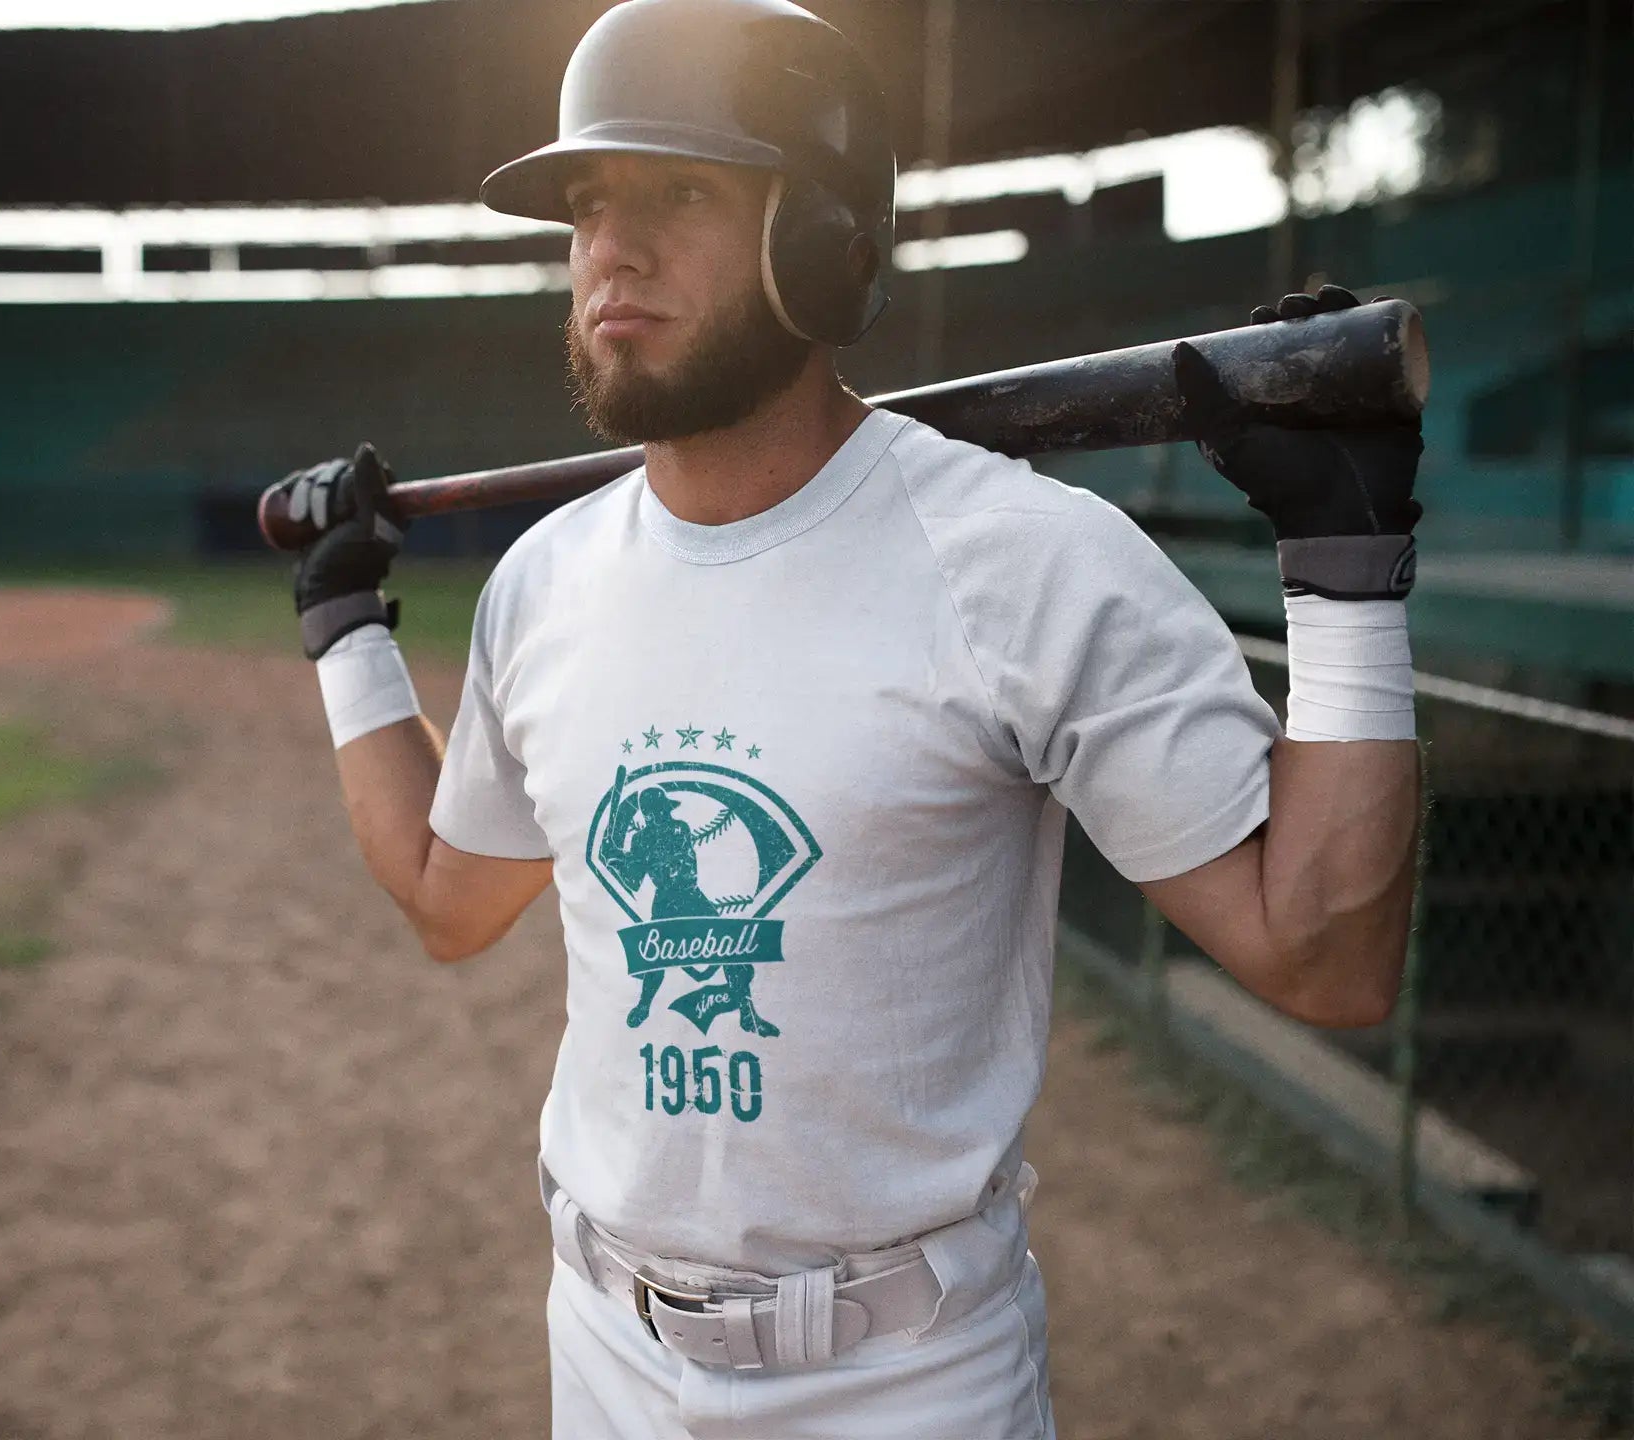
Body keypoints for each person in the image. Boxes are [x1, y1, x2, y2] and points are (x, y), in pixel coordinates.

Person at [273, 1, 1423, 1434]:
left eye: (678, 193)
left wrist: (1348, 573)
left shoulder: (1026, 564)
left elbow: (1329, 960)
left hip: (906, 1384)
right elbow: (452, 902)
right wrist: (344, 630)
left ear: (819, 240)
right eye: (587, 207)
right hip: (603, 1359)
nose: (608, 253)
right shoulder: (542, 585)